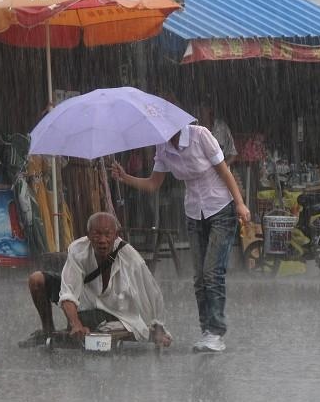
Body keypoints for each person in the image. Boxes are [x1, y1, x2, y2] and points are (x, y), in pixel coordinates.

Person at [112, 123, 250, 353]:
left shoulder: (200, 136)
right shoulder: (163, 147)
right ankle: (207, 330)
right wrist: (125, 177)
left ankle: (216, 332)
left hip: (221, 208)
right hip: (194, 212)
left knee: (212, 272)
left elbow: (224, 170)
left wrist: (240, 203)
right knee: (199, 277)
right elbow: (153, 184)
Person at [18, 212, 172, 348]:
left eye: (107, 234)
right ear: (89, 235)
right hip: (84, 298)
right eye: (97, 234)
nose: (102, 240)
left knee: (96, 325)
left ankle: (85, 327)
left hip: (114, 308)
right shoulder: (78, 249)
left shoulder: (130, 256)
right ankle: (48, 331)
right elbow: (68, 293)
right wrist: (75, 324)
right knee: (36, 279)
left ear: (116, 235)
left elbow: (152, 292)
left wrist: (158, 327)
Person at [198, 99, 238, 165]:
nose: (200, 111)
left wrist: (220, 170)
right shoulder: (193, 129)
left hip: (220, 172)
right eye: (199, 108)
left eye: (204, 107)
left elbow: (232, 154)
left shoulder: (222, 127)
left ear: (210, 109)